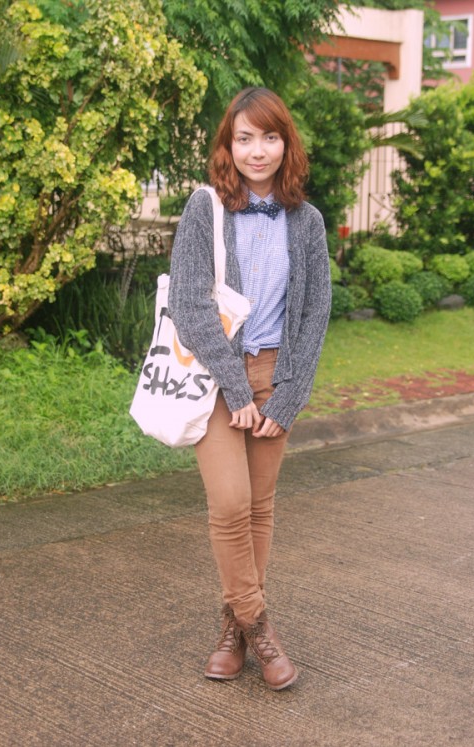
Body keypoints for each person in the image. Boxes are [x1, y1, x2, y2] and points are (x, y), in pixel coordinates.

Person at [168, 87, 332, 690]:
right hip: (217, 379)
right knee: (232, 504)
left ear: (286, 144)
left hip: (276, 377)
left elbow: (314, 313)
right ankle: (261, 628)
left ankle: (231, 628)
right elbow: (189, 303)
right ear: (227, 145)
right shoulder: (205, 208)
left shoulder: (307, 221)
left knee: (261, 508)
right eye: (244, 138)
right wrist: (236, 389)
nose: (256, 150)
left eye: (268, 137)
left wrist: (287, 395)